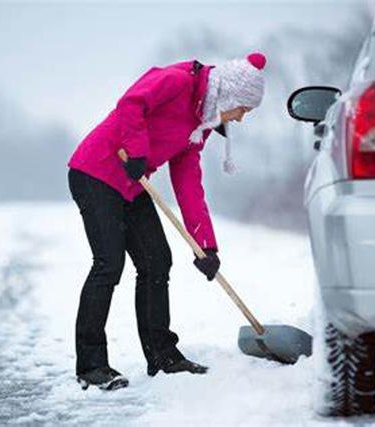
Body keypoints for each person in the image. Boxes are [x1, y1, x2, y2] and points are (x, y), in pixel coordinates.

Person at [67, 52, 267, 391]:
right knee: (108, 264)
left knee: (157, 260)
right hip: (96, 172)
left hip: (131, 183)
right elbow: (131, 103)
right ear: (230, 96)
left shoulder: (197, 127)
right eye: (243, 109)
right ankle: (91, 364)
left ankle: (162, 356)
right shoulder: (178, 81)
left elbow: (188, 184)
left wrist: (206, 246)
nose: (241, 118)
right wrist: (137, 149)